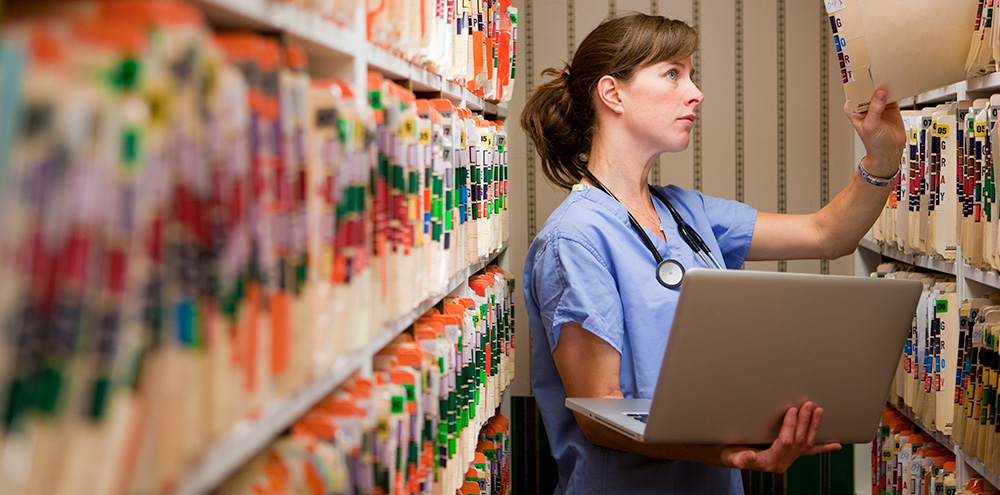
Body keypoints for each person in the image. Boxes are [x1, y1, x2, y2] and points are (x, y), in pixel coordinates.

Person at [519, 13, 905, 495]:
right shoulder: (574, 238)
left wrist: (882, 159)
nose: (695, 92)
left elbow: (827, 235)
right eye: (673, 74)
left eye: (691, 74)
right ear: (612, 94)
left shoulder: (687, 210)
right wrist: (726, 451)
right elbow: (599, 415)